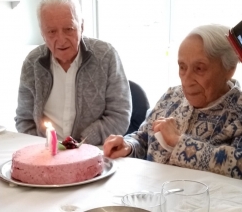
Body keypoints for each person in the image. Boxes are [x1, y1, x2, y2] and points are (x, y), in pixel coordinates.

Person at [103, 24, 242, 179]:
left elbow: (238, 165)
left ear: (230, 68)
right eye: (182, 67)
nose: (187, 80)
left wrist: (179, 142)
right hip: (152, 195)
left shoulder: (238, 113)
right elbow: (143, 138)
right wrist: (128, 146)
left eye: (199, 69)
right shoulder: (171, 96)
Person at [15, 0, 131, 145]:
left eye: (69, 29)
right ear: (42, 33)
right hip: (46, 152)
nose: (61, 39)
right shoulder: (32, 63)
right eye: (52, 32)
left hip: (93, 150)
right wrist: (43, 147)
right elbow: (24, 120)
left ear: (81, 26)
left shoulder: (106, 56)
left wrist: (79, 144)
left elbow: (119, 115)